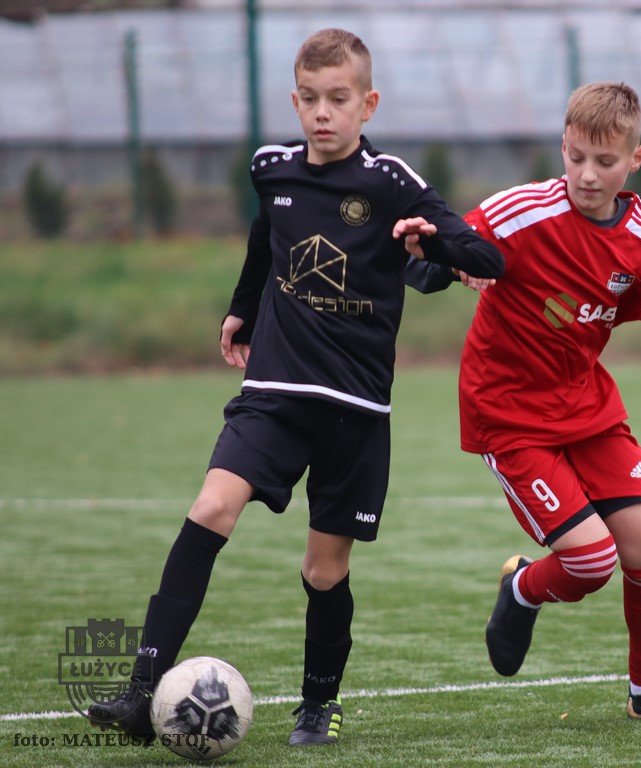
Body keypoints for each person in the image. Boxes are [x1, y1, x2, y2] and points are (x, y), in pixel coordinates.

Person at [86, 28, 503, 746]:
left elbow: (485, 257)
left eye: (338, 99)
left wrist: (431, 242)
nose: (322, 113)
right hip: (274, 393)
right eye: (310, 98)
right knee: (211, 508)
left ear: (368, 104)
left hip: (354, 410)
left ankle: (317, 705)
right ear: (295, 99)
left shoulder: (392, 181)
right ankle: (139, 692)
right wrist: (242, 307)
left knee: (324, 569)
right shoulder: (271, 169)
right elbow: (264, 238)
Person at [415, 81, 641, 721]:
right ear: (562, 146)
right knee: (591, 561)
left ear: (635, 159)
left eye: (605, 161)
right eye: (576, 156)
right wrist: (445, 262)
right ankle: (523, 589)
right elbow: (429, 262)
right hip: (507, 412)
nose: (587, 175)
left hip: (587, 408)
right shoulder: (520, 212)